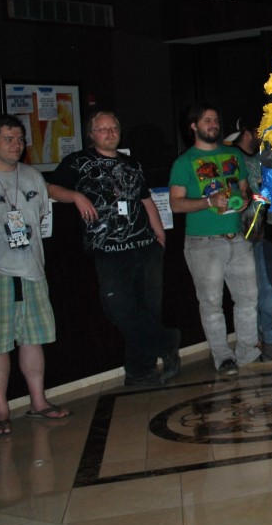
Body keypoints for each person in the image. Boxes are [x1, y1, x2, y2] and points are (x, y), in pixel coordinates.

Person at [47, 110, 181, 387]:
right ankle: (167, 341)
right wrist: (76, 196)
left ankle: (139, 371)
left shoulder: (131, 163)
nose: (109, 133)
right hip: (108, 251)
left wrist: (159, 235)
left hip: (146, 246)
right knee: (118, 307)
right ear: (91, 134)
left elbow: (146, 199)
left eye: (114, 128)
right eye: (102, 129)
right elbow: (50, 188)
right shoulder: (78, 161)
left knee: (148, 309)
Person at [0, 114, 71, 435]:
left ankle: (39, 402)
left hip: (31, 270)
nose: (16, 145)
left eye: (20, 139)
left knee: (33, 338)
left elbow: (40, 216)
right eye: (8, 139)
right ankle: (1, 411)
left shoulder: (32, 176)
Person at [169, 102, 271, 376]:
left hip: (237, 238)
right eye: (207, 120)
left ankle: (248, 351)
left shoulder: (233, 155)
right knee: (212, 304)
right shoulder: (184, 162)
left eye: (215, 120)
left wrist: (244, 200)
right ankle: (223, 357)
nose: (213, 124)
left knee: (249, 299)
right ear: (193, 126)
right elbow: (176, 204)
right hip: (203, 243)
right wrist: (208, 201)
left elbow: (245, 190)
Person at [226, 117, 272, 348]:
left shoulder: (263, 155)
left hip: (264, 230)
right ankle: (259, 334)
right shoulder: (232, 157)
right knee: (250, 288)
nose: (262, 133)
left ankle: (270, 333)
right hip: (241, 231)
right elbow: (235, 193)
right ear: (248, 133)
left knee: (266, 284)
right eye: (258, 130)